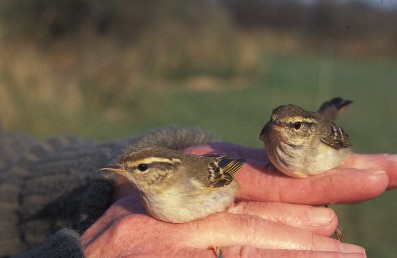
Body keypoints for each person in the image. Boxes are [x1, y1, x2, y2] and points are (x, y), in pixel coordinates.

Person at [0, 126, 395, 257]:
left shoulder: (197, 179)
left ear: (161, 173)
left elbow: (230, 172)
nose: (128, 174)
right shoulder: (148, 197)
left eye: (139, 170)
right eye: (129, 171)